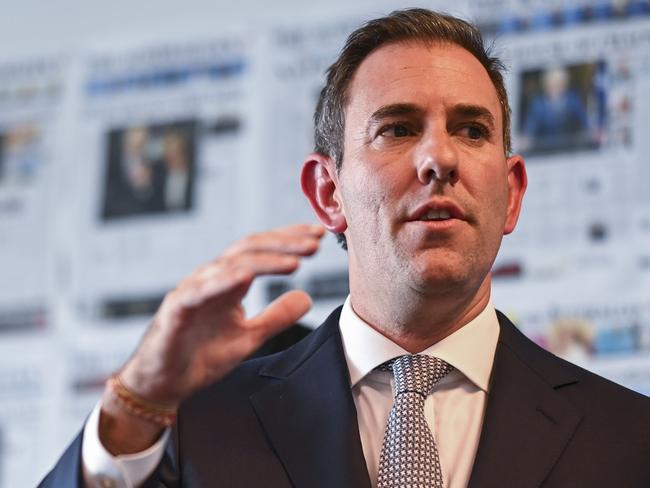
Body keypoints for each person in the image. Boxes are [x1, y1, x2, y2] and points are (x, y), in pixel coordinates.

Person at [40, 8, 648, 488]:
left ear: (511, 193)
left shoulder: (628, 438)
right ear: (328, 191)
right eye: (398, 128)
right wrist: (136, 401)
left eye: (471, 130)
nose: (439, 158)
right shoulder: (196, 426)